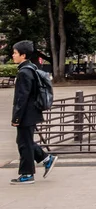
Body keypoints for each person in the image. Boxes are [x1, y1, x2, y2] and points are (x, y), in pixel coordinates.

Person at [10, 41, 58, 184]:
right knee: (24, 141)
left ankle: (27, 174)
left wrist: (16, 117)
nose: (13, 55)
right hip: (31, 112)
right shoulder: (31, 68)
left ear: (23, 55)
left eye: (15, 53)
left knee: (24, 143)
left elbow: (22, 98)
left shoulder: (24, 72)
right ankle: (46, 158)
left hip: (26, 114)